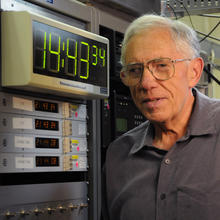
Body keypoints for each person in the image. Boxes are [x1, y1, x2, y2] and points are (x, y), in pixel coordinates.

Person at [102, 14, 220, 220]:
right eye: (135, 70)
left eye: (162, 66)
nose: (146, 83)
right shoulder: (117, 155)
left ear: (194, 72)